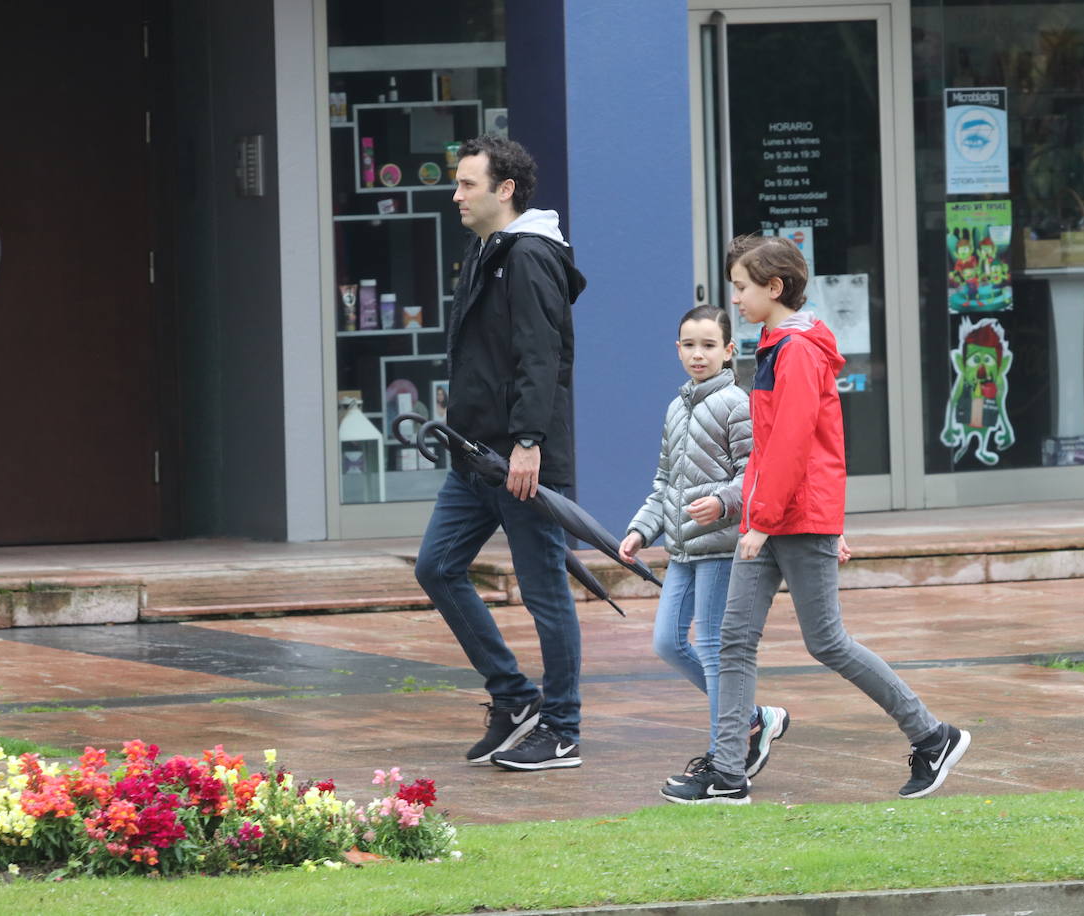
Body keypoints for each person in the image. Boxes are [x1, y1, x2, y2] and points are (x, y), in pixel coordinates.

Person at [661, 235, 971, 805]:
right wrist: (752, 512)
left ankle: (932, 735)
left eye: (742, 287)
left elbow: (795, 445)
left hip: (793, 521)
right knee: (732, 643)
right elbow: (767, 446)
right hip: (778, 517)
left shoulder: (797, 349)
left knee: (827, 642)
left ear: (774, 288)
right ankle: (729, 774)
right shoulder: (776, 342)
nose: (736, 299)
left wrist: (763, 521)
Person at [414, 135, 587, 771]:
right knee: (436, 567)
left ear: (504, 189)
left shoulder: (532, 254)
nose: (455, 194)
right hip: (475, 457)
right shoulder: (485, 251)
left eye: (467, 184)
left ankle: (563, 729)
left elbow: (542, 358)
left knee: (545, 593)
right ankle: (514, 698)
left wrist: (529, 443)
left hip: (521, 459)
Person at [619, 305, 790, 788]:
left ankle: (724, 755)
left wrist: (720, 501)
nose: (699, 354)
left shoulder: (737, 404)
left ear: (729, 351)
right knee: (668, 643)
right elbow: (664, 482)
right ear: (677, 349)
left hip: (720, 548)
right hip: (682, 550)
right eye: (690, 345)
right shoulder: (676, 408)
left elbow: (751, 474)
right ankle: (754, 715)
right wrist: (641, 529)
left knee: (715, 651)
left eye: (709, 345)